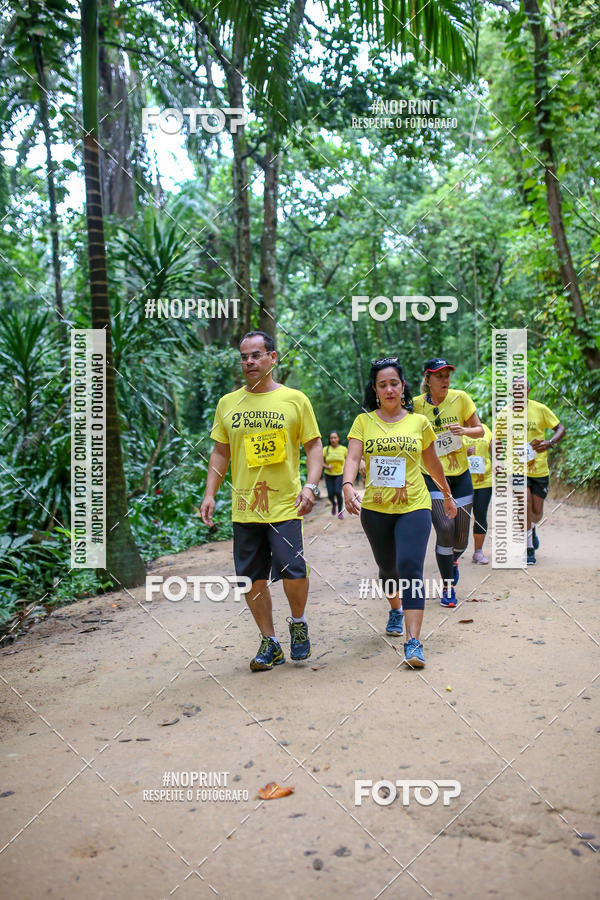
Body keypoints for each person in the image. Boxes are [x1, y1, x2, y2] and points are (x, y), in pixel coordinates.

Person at [200, 331, 323, 671]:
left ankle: (298, 624)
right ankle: (269, 642)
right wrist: (210, 493)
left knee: (292, 569)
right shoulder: (228, 403)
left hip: (285, 505)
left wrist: (311, 486)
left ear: (273, 358)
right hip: (244, 508)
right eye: (244, 357)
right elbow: (220, 451)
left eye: (256, 355)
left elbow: (313, 446)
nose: (249, 362)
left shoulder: (295, 400)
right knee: (250, 577)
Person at [342, 357, 457, 668]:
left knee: (410, 568)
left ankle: (413, 642)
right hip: (376, 508)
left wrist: (446, 494)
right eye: (383, 385)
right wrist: (348, 485)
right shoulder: (363, 422)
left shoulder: (418, 422)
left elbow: (433, 463)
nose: (389, 389)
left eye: (394, 383)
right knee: (387, 569)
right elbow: (353, 457)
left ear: (403, 386)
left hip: (414, 505)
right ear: (375, 390)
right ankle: (395, 608)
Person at [413, 358, 484, 607]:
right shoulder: (415, 406)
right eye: (439, 376)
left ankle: (452, 561)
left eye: (447, 375)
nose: (445, 380)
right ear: (428, 379)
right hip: (431, 478)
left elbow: (480, 430)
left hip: (460, 474)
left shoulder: (461, 398)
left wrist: (464, 431)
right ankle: (448, 587)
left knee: (460, 539)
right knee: (445, 528)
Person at [520, 381, 566, 564]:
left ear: (528, 390)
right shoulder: (506, 413)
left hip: (539, 469)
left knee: (536, 512)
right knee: (524, 501)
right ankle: (528, 547)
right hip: (517, 469)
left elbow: (560, 428)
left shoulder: (540, 409)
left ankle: (532, 527)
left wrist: (550, 443)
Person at [464, 423, 493, 564]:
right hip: (462, 480)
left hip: (484, 480)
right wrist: (464, 453)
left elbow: (494, 449)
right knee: (460, 517)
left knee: (480, 514)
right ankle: (454, 550)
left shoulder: (484, 428)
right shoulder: (454, 429)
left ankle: (478, 552)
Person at [323, 431, 348, 518]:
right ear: (329, 439)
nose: (333, 439)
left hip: (339, 474)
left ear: (338, 439)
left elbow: (349, 460)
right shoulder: (326, 449)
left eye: (335, 437)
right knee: (330, 494)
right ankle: (334, 504)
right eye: (331, 438)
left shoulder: (343, 449)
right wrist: (326, 466)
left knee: (338, 492)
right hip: (328, 474)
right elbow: (320, 461)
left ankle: (340, 511)